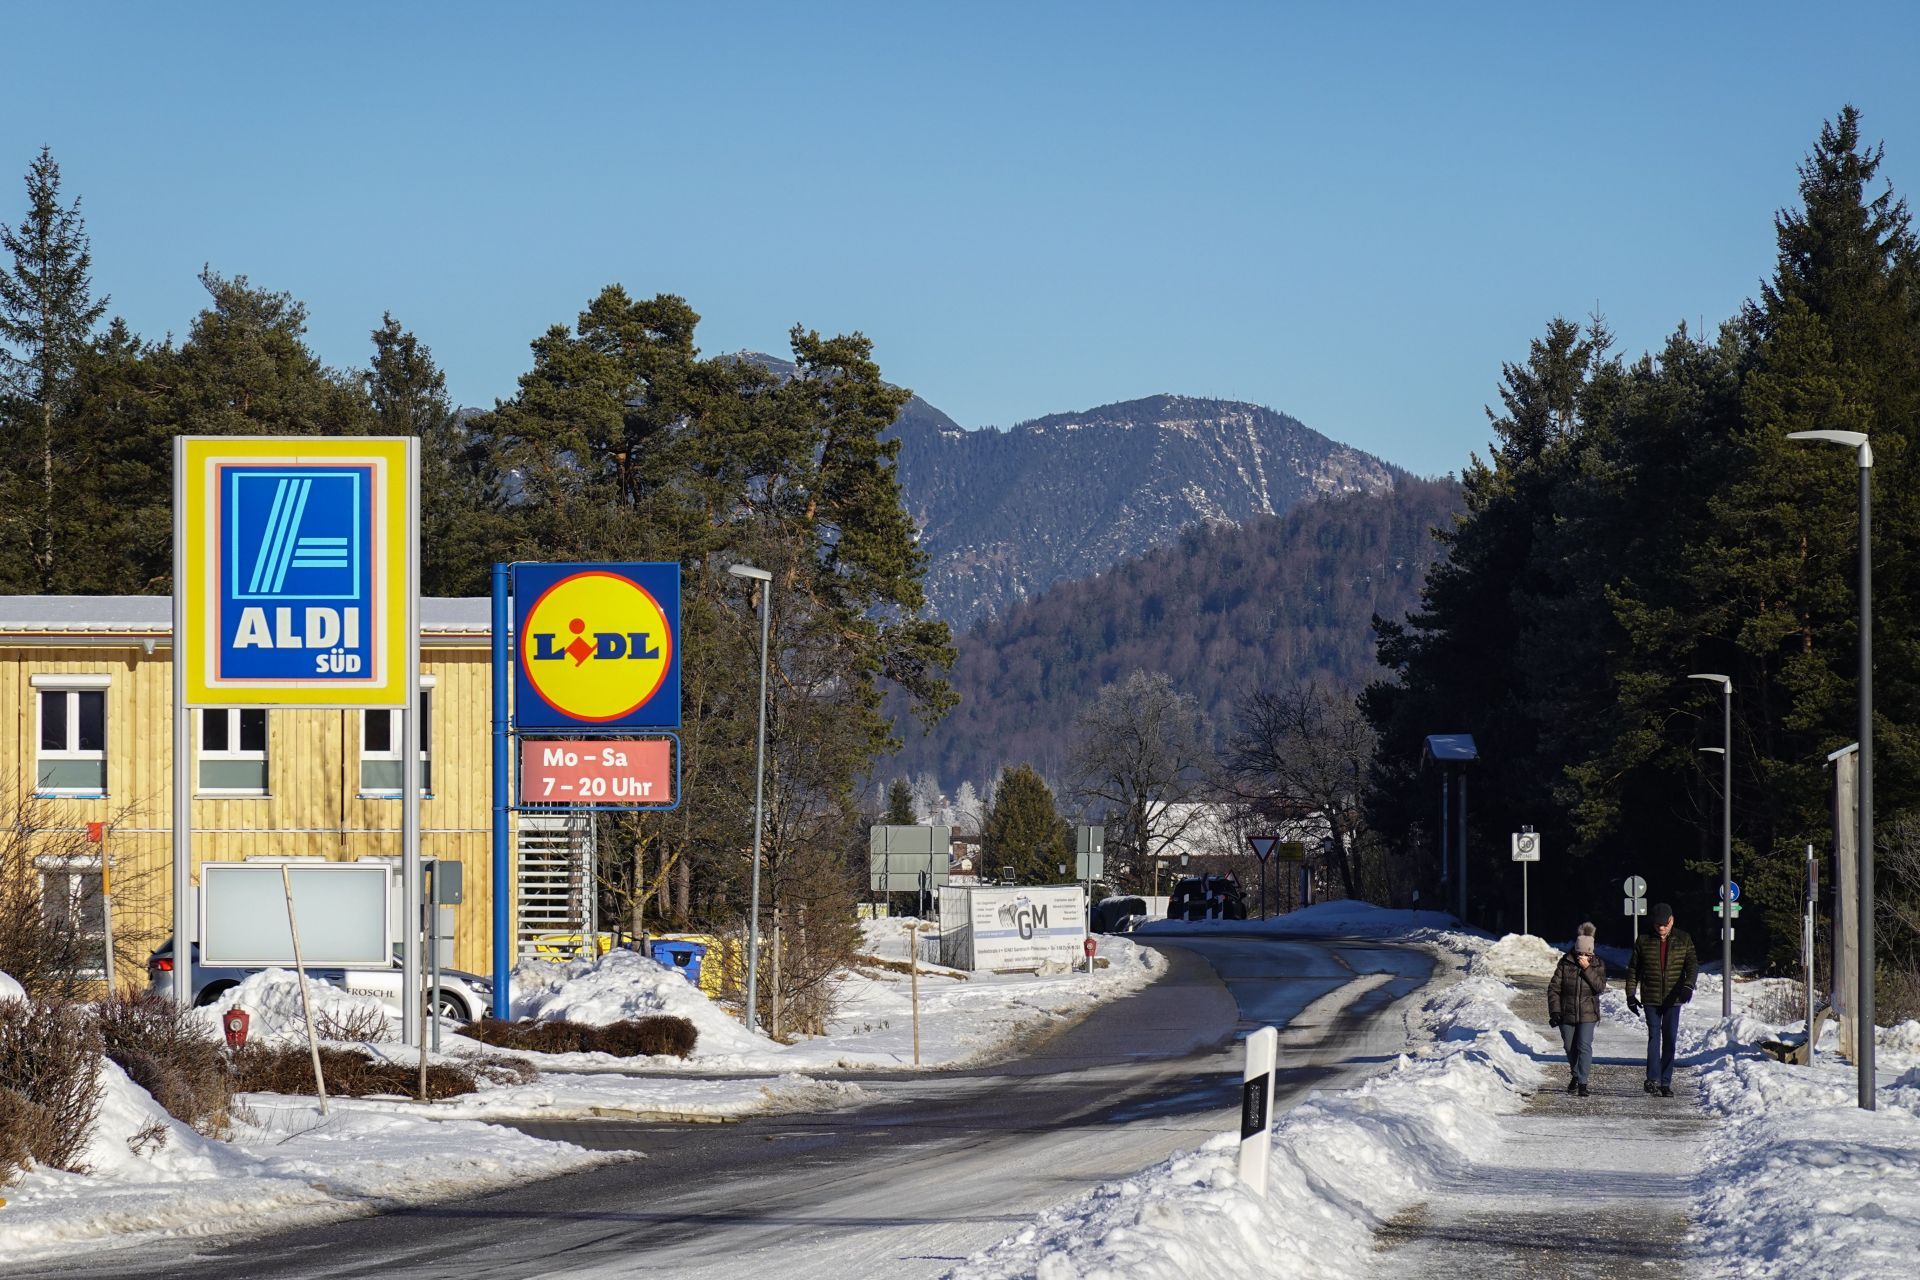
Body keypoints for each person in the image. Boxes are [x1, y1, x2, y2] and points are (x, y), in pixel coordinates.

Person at [1624, 903, 1697, 1097]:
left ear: (1672, 921)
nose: (1661, 928)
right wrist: (1630, 995)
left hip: (1674, 998)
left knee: (1670, 1039)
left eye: (1665, 924)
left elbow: (1692, 966)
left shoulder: (1684, 939)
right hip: (1651, 997)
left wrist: (1688, 986)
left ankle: (1666, 1082)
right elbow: (1633, 970)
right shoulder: (1643, 940)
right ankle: (1653, 1079)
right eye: (1658, 925)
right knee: (1654, 1037)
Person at [1547, 922, 1606, 1097]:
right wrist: (1555, 1012)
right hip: (1567, 1013)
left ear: (1592, 952)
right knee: (1569, 1046)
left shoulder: (1597, 964)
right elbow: (1554, 989)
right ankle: (1575, 1074)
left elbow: (1599, 987)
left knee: (1584, 1046)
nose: (1583, 956)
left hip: (1588, 1014)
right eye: (1580, 953)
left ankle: (1583, 1083)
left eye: (1587, 953)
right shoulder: (1565, 963)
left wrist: (1587, 968)